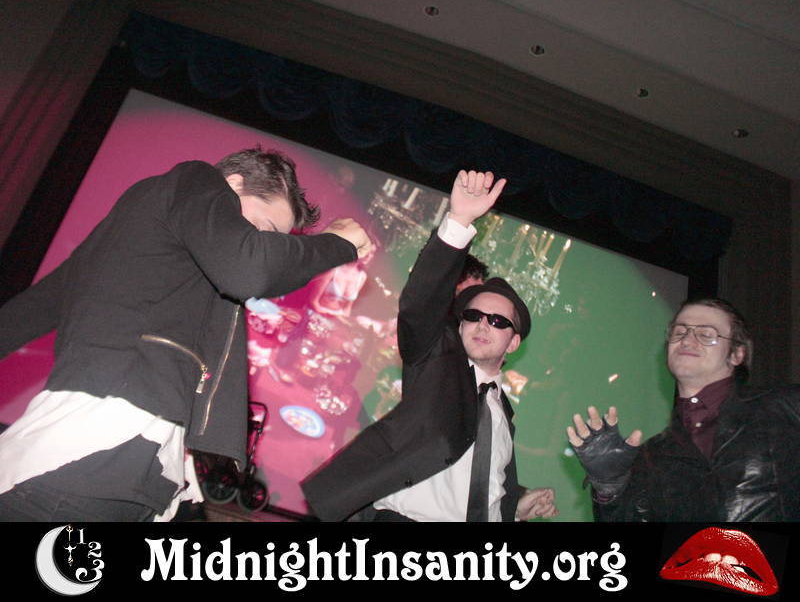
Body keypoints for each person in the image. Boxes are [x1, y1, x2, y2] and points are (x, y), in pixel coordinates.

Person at [0, 147, 371, 521]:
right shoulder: (194, 179)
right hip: (94, 447)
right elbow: (248, 270)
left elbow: (35, 307)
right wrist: (336, 242)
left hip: (116, 459)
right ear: (233, 183)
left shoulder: (150, 239)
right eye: (266, 228)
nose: (264, 241)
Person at [302, 169, 557, 522]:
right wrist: (459, 221)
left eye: (498, 321)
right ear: (459, 324)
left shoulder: (501, 414)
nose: (483, 324)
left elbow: (478, 488)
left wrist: (514, 508)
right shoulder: (435, 364)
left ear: (513, 342)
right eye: (473, 315)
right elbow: (420, 303)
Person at [567, 298, 800, 521]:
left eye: (706, 334)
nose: (687, 341)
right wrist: (610, 488)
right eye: (679, 332)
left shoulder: (785, 407)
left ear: (737, 354)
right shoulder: (651, 454)